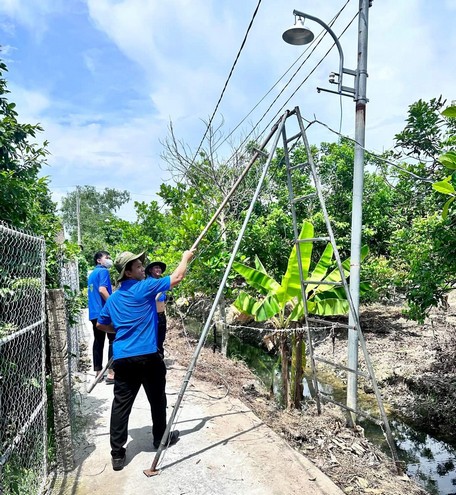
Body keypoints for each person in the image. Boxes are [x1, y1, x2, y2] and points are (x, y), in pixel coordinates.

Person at [97, 248, 194, 471]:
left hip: (123, 358)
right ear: (128, 273)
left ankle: (117, 454)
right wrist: (185, 257)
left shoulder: (113, 300)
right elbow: (178, 277)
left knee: (121, 405)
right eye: (139, 266)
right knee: (157, 398)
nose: (143, 269)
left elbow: (101, 324)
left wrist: (120, 330)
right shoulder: (145, 287)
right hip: (148, 356)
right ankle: (161, 437)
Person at [87, 250, 115, 384]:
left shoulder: (92, 274)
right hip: (104, 312)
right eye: (107, 257)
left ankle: (98, 373)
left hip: (93, 313)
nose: (109, 259)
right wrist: (113, 304)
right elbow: (102, 290)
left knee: (98, 341)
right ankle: (111, 373)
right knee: (113, 339)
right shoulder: (104, 271)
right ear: (99, 260)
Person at [145, 260, 168, 357]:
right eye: (156, 268)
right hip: (154, 316)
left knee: (160, 339)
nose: (158, 270)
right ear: (150, 270)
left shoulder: (160, 283)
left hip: (161, 315)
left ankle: (159, 357)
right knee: (155, 339)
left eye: (159, 268)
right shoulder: (150, 283)